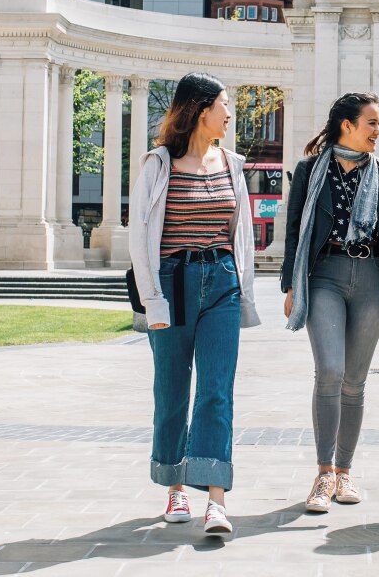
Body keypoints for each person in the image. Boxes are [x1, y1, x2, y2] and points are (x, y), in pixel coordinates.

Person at [127, 73, 262, 536]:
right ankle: (174, 487)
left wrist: (244, 290)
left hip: (220, 281)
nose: (230, 113)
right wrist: (152, 302)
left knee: (217, 390)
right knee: (171, 391)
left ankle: (217, 500)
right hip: (172, 282)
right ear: (202, 109)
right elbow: (139, 238)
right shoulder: (158, 164)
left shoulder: (231, 164)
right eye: (225, 105)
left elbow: (240, 236)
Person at [280, 92, 379, 514]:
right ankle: (323, 474)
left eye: (378, 124)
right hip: (324, 275)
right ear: (347, 125)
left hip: (373, 279)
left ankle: (345, 472)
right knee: (329, 371)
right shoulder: (309, 171)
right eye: (372, 123)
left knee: (355, 381)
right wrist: (290, 283)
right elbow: (293, 229)